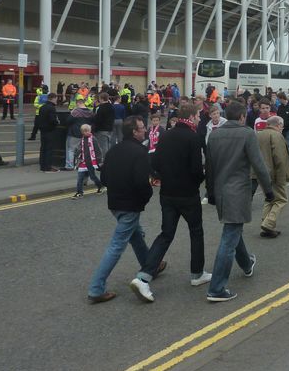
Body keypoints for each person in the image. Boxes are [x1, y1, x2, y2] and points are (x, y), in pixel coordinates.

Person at [129, 103, 210, 303]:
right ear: (191, 117)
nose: (199, 119)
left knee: (166, 234)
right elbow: (196, 170)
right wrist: (198, 180)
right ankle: (197, 274)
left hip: (167, 193)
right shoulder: (193, 137)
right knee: (196, 231)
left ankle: (143, 277)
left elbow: (154, 163)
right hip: (188, 194)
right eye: (198, 115)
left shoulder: (166, 135)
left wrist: (164, 176)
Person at [87, 115, 162, 304]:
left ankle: (151, 265)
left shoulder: (114, 150)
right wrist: (146, 197)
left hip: (115, 204)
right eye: (141, 128)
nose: (145, 129)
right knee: (116, 246)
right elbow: (141, 183)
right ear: (134, 132)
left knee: (136, 236)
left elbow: (104, 179)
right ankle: (96, 288)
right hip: (130, 205)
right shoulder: (140, 152)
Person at [205, 100, 274, 302]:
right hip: (238, 191)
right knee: (230, 236)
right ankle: (216, 288)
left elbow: (208, 167)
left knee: (234, 229)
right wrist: (268, 191)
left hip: (220, 191)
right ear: (243, 117)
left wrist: (210, 193)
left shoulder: (215, 135)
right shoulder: (246, 134)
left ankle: (246, 263)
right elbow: (259, 165)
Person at [257, 116, 289, 238]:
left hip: (262, 174)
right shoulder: (277, 136)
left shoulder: (259, 135)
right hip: (275, 174)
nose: (282, 128)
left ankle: (265, 222)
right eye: (281, 126)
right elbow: (280, 158)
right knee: (281, 199)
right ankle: (269, 223)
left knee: (269, 198)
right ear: (278, 125)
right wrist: (282, 176)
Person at [72, 124, 104, 199]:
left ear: (90, 131)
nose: (86, 132)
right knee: (80, 178)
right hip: (83, 162)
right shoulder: (82, 139)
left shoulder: (93, 139)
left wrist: (99, 161)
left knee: (93, 177)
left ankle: (100, 186)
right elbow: (80, 149)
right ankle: (79, 193)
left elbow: (98, 150)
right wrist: (76, 154)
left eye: (87, 131)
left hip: (91, 162)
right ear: (82, 132)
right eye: (84, 131)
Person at [64, 97, 93, 170]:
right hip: (85, 132)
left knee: (71, 149)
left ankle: (69, 166)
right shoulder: (90, 111)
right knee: (82, 150)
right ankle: (80, 164)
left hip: (74, 133)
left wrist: (72, 112)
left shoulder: (76, 111)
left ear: (78, 103)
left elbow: (68, 121)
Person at [38, 93, 60, 172]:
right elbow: (52, 120)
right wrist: (57, 122)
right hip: (50, 131)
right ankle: (48, 167)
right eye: (56, 99)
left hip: (43, 131)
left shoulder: (42, 107)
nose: (56, 100)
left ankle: (42, 166)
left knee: (43, 148)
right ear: (53, 98)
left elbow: (38, 119)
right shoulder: (51, 108)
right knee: (49, 149)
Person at [93, 92, 115, 160]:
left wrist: (94, 128)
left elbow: (98, 120)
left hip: (101, 129)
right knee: (108, 145)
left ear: (101, 99)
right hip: (110, 128)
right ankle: (108, 159)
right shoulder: (112, 107)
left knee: (102, 147)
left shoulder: (101, 108)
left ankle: (104, 161)